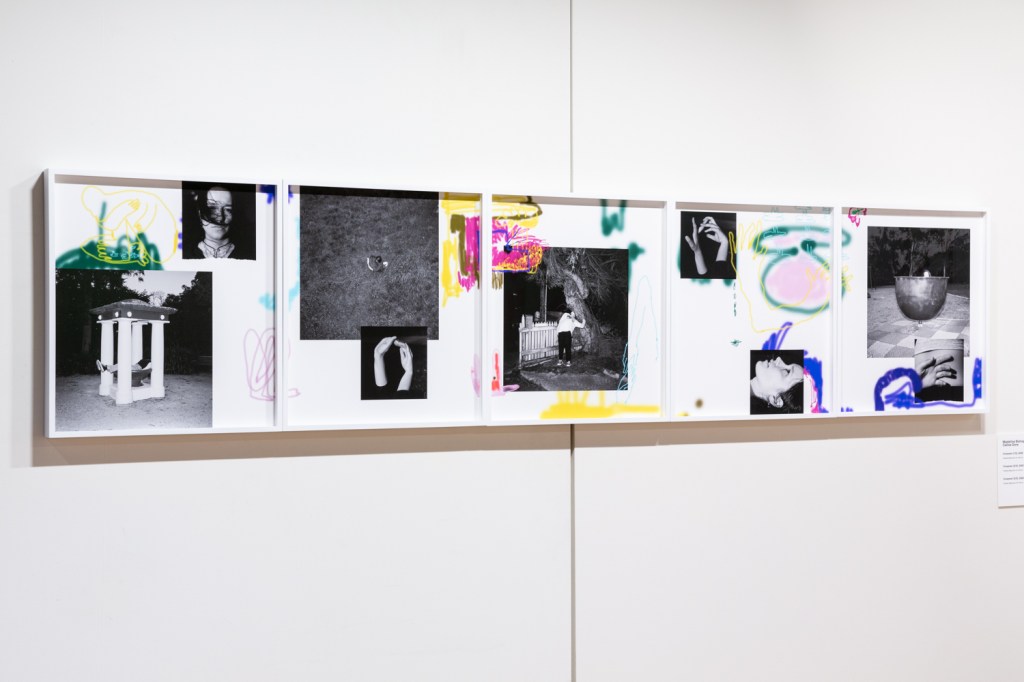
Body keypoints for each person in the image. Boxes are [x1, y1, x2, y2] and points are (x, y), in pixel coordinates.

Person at [188, 186, 239, 259]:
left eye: (228, 210)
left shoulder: (250, 254)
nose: (220, 218)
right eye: (212, 209)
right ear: (199, 214)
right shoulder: (184, 254)